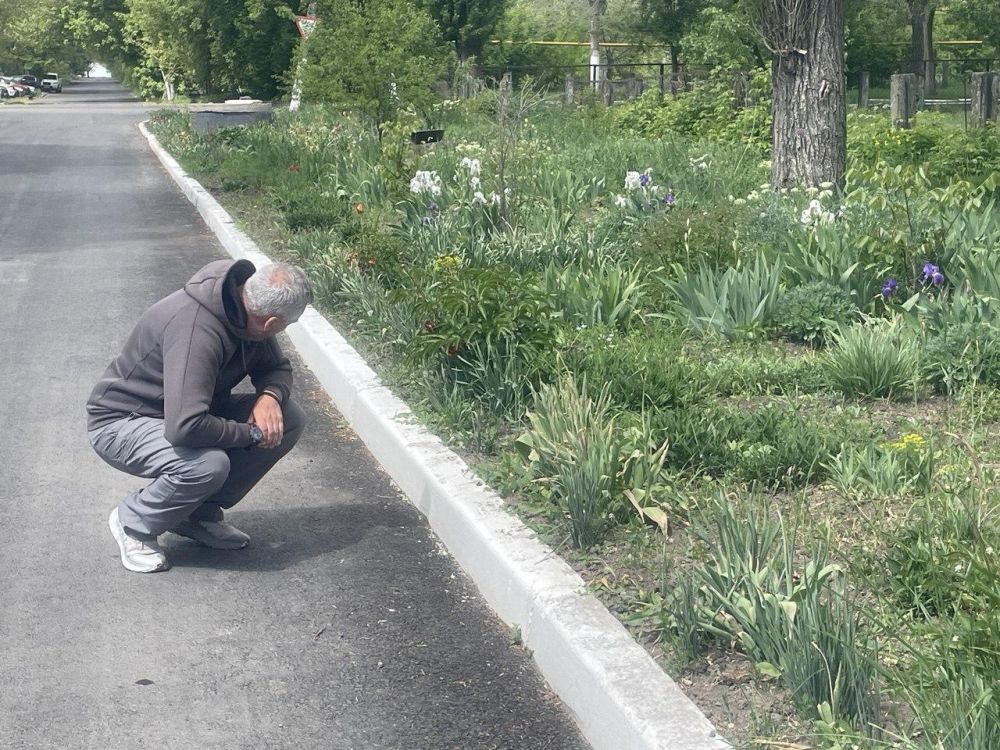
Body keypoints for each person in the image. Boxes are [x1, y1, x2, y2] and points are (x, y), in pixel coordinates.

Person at [87, 259, 313, 573]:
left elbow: (276, 368)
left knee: (288, 418)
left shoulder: (244, 309)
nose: (282, 331)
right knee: (207, 464)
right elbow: (185, 428)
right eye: (287, 325)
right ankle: (134, 522)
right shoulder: (197, 330)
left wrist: (270, 397)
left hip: (182, 412)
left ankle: (195, 514)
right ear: (272, 322)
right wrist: (253, 433)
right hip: (122, 422)